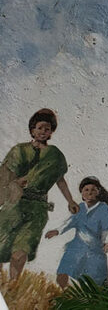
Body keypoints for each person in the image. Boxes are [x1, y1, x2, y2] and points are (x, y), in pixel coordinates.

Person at [0, 109, 79, 281]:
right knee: (1, 246)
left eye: (47, 129)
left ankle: (14, 285)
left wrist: (70, 200)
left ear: (51, 132)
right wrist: (14, 186)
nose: (43, 132)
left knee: (21, 251)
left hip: (37, 208)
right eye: (40, 128)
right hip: (13, 205)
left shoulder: (55, 155)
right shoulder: (19, 150)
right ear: (32, 130)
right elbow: (5, 176)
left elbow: (60, 180)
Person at [44, 176, 108, 287]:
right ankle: (66, 295)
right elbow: (70, 222)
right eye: (86, 190)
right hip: (77, 247)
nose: (89, 192)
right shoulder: (80, 207)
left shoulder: (103, 208)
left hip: (95, 250)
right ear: (81, 193)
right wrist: (57, 231)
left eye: (93, 190)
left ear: (98, 192)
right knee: (63, 274)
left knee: (95, 281)